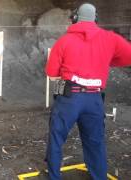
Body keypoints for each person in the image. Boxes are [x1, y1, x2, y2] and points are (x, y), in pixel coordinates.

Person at [45, 3, 131, 180]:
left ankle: (54, 176)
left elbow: (52, 75)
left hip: (69, 98)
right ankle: (99, 177)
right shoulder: (111, 38)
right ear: (96, 19)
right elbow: (128, 56)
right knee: (95, 142)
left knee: (56, 138)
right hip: (94, 99)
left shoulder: (64, 41)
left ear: (75, 18)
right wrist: (106, 60)